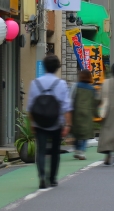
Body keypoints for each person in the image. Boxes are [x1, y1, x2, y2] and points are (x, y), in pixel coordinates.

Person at [27, 55, 72, 189]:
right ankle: (52, 179)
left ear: (44, 67)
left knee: (40, 150)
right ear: (57, 68)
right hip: (56, 122)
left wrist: (32, 123)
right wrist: (67, 124)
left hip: (40, 122)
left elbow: (30, 106)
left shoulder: (35, 83)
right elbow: (66, 107)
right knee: (54, 151)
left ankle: (41, 177)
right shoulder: (61, 84)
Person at [71, 70, 97, 160]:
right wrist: (96, 114)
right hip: (88, 113)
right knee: (85, 134)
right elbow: (94, 102)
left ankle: (77, 150)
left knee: (77, 132)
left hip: (76, 112)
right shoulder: (92, 89)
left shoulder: (75, 86)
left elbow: (71, 98)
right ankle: (82, 152)